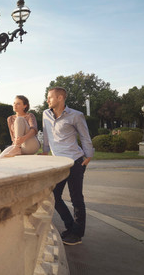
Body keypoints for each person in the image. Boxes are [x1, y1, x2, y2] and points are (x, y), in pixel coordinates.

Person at [42, 87, 94, 246]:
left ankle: (77, 235)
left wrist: (88, 155)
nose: (47, 100)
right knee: (54, 196)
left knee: (76, 198)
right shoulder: (46, 114)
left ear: (60, 98)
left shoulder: (76, 115)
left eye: (50, 97)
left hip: (75, 161)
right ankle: (71, 226)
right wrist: (45, 152)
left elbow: (85, 136)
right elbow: (45, 135)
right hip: (58, 164)